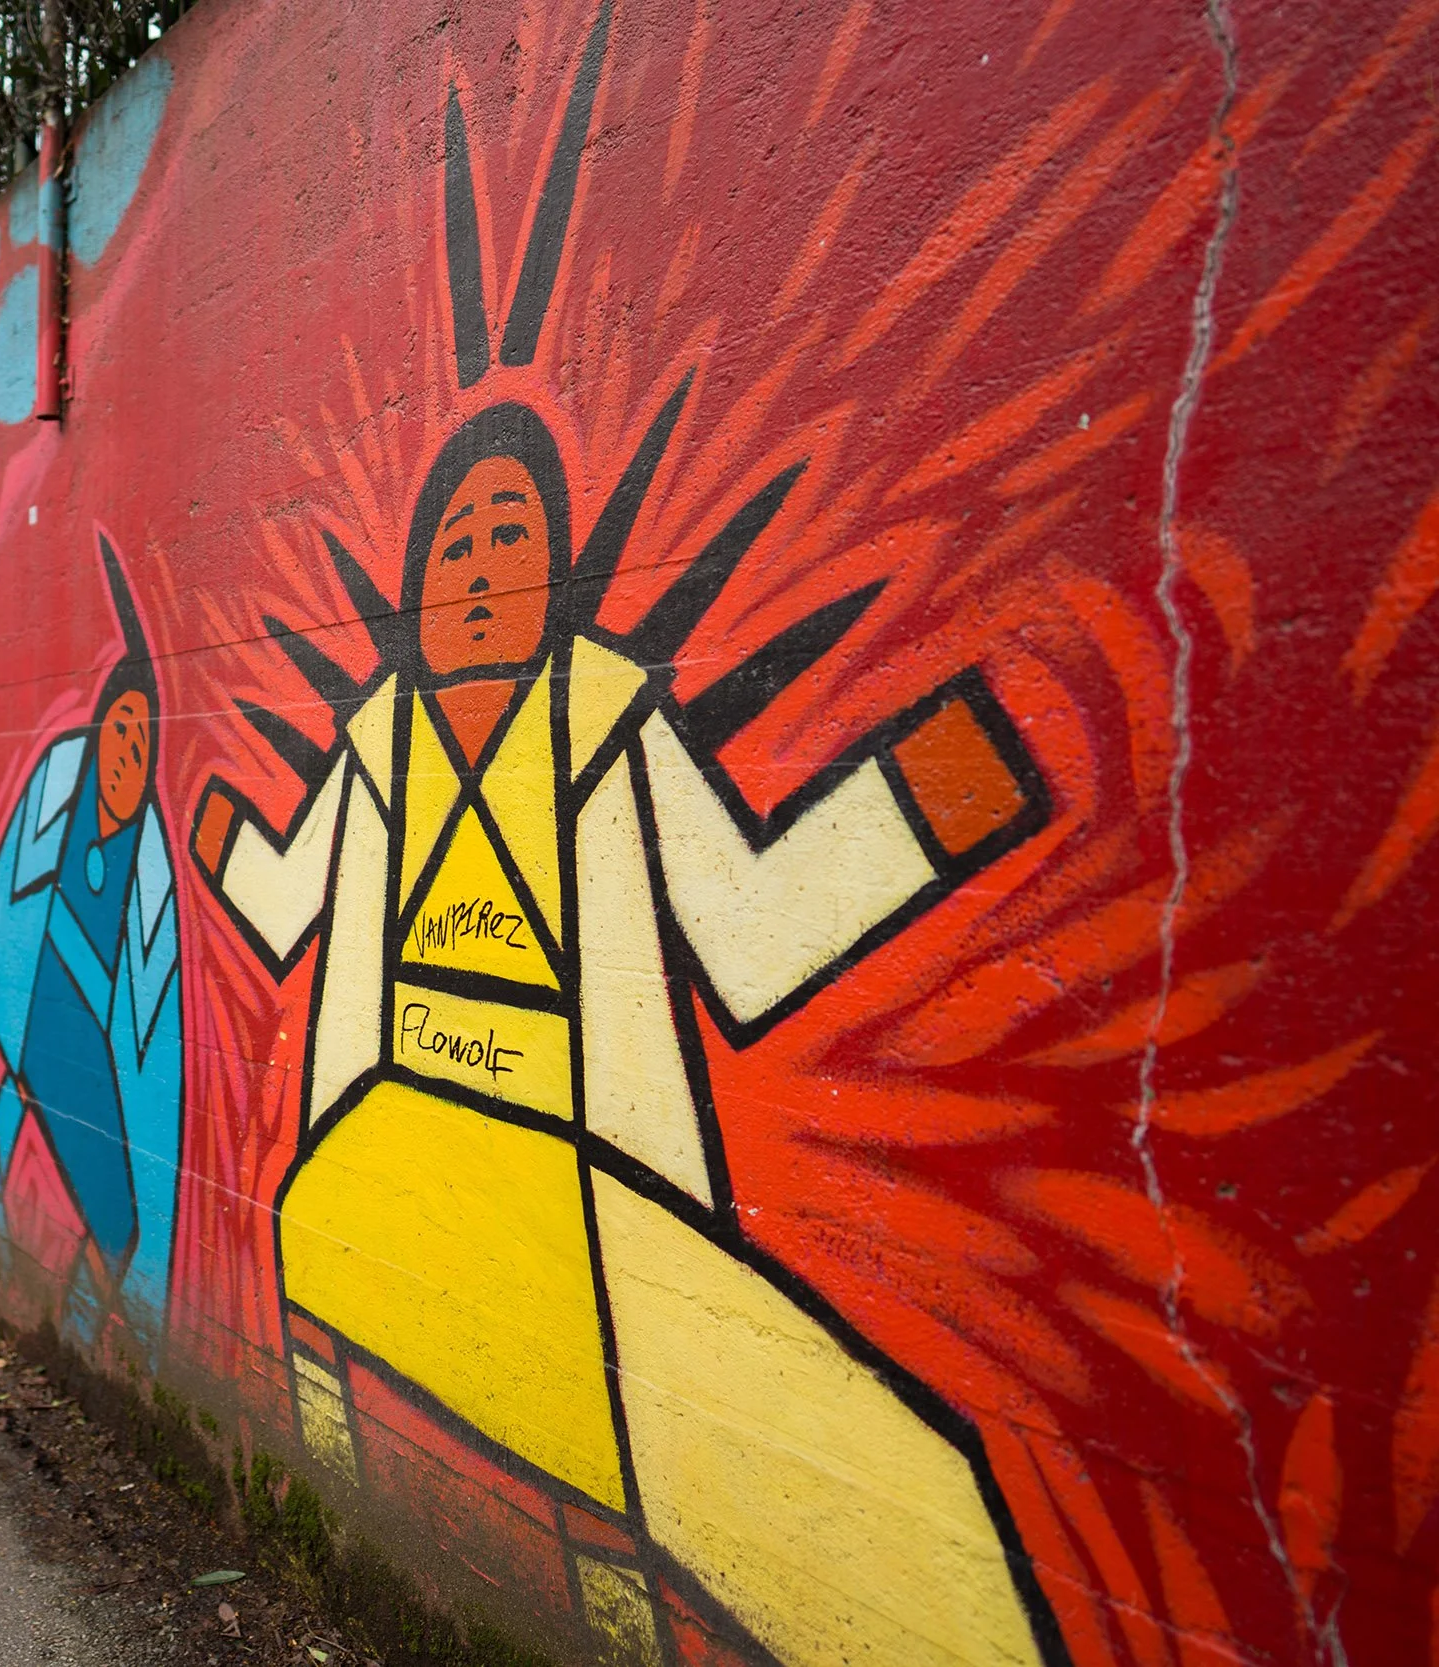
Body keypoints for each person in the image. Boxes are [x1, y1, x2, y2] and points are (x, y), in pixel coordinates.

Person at [192, 403, 1053, 1667]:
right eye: (456, 546)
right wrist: (213, 834)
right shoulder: (376, 745)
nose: (481, 569)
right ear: (413, 589)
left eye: (511, 535)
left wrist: (915, 805)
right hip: (385, 1149)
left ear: (562, 576)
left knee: (891, 1484)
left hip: (591, 1184)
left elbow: (750, 938)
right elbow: (286, 899)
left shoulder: (610, 724)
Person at [0, 540, 184, 1355]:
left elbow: (149, 1015)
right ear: (101, 727)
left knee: (123, 1224)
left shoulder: (153, 858)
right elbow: (2, 903)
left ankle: (84, 1326)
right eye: (122, 727)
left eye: (145, 738)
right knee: (99, 1208)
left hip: (87, 1055)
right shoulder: (60, 779)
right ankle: (78, 1318)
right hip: (35, 1025)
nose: (129, 750)